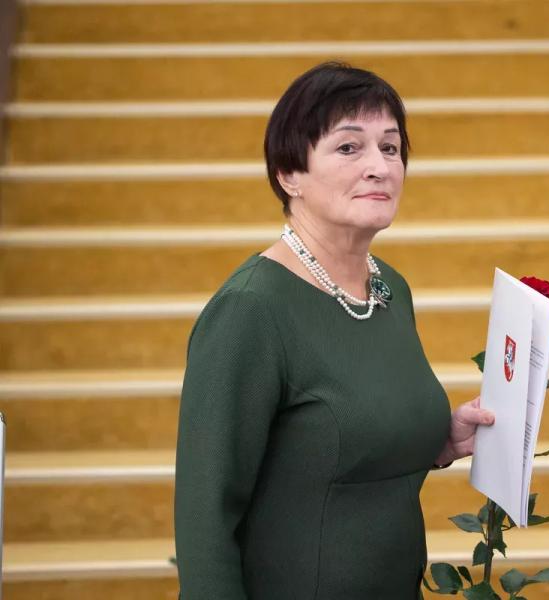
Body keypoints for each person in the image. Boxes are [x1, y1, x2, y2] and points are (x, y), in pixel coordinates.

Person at [174, 61, 495, 599]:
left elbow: (336, 449)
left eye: (390, 147)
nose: (379, 167)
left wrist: (438, 441)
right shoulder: (250, 310)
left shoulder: (389, 288)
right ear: (288, 173)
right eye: (349, 147)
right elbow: (205, 519)